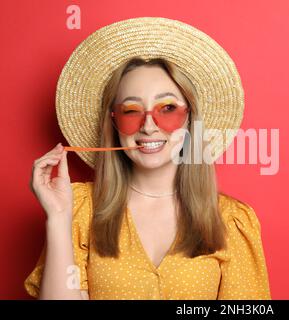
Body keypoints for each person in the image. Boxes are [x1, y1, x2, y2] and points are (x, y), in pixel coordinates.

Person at [24, 17, 271, 300]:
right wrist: (58, 217)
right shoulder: (79, 209)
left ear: (189, 119)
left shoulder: (232, 220)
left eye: (167, 108)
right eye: (131, 110)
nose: (149, 126)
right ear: (114, 124)